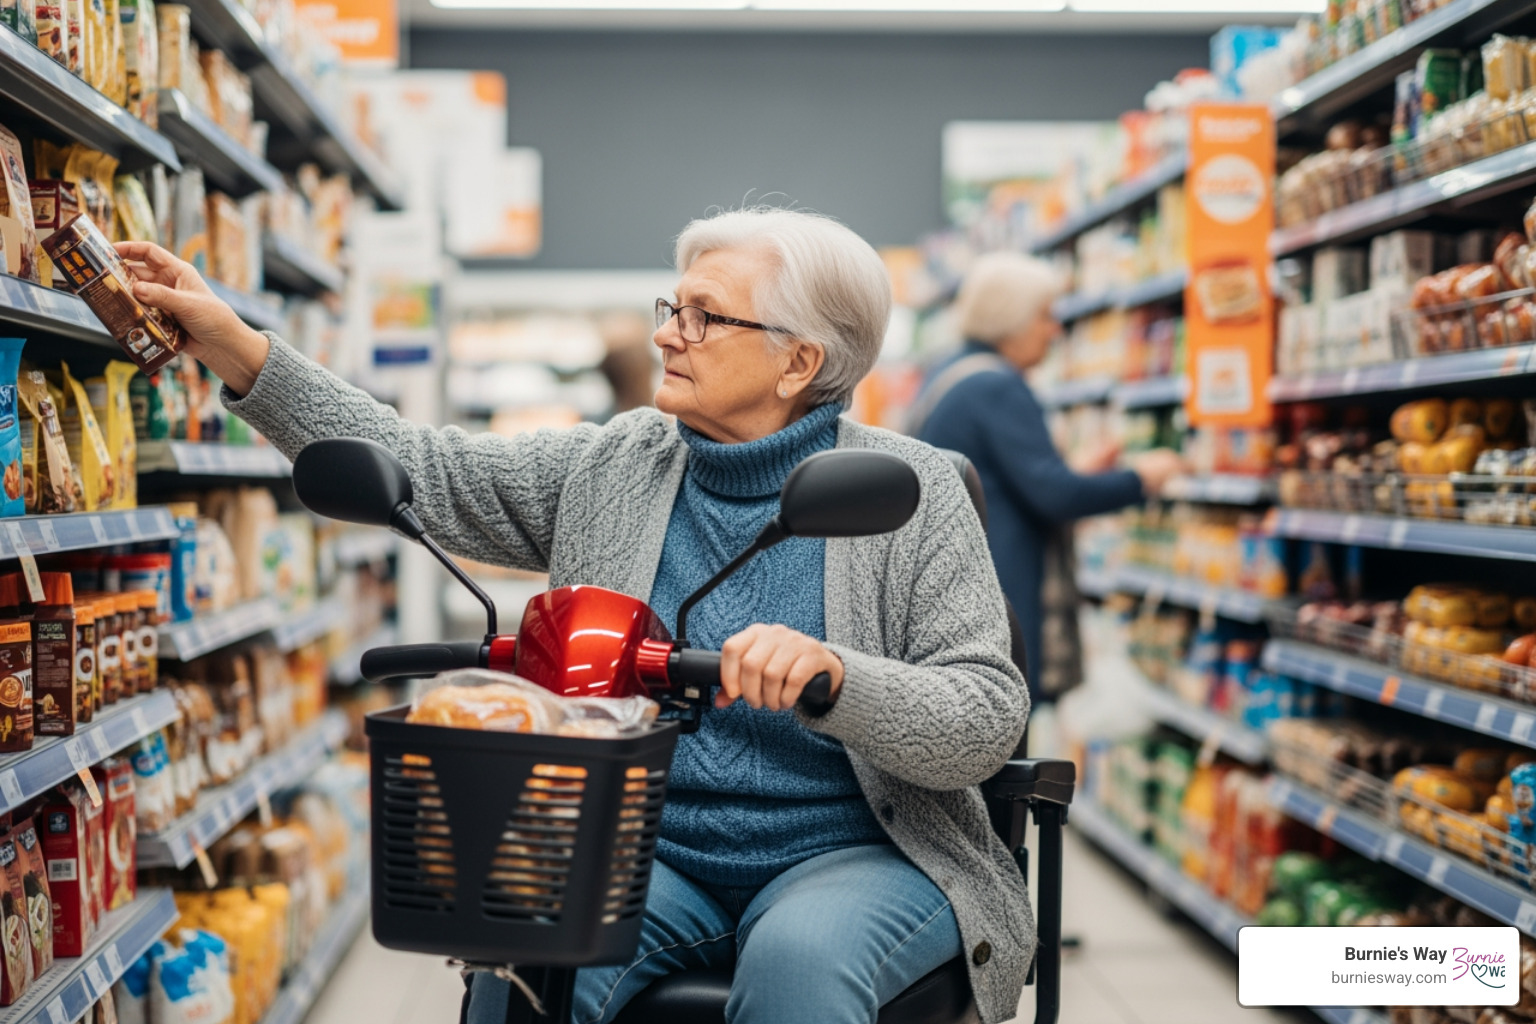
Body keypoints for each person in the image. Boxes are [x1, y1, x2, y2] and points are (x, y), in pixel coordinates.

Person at [116, 207, 1032, 1024]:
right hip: (641, 842)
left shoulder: (911, 493)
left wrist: (837, 676)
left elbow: (986, 716)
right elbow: (421, 469)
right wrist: (233, 343)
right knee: (525, 947)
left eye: (706, 316)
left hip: (854, 851)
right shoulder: (617, 467)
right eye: (672, 308)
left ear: (801, 361)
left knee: (799, 965)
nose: (672, 335)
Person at [913, 252, 1183, 701]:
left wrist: (1072, 471)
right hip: (998, 589)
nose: (1054, 330)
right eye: (1044, 315)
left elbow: (1011, 480)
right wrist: (1142, 478)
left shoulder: (949, 372)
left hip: (955, 583)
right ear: (1010, 319)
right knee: (1005, 722)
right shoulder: (995, 384)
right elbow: (1054, 496)